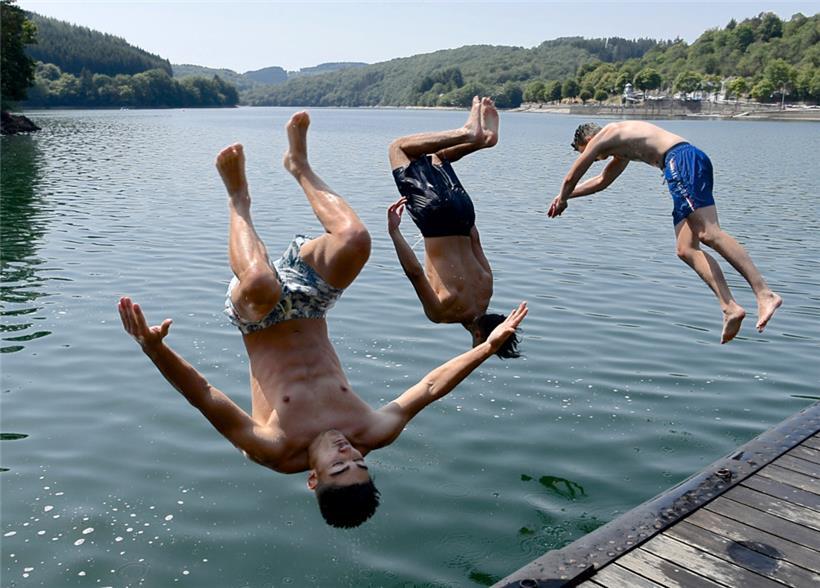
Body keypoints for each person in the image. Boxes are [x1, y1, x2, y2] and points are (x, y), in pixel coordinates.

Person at [118, 111, 528, 529]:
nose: (347, 453)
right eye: (358, 464)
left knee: (261, 280)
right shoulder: (371, 433)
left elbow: (203, 395)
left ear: (313, 479)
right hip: (313, 305)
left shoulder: (274, 450)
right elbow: (430, 387)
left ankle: (238, 200)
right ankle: (299, 166)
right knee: (356, 241)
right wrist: (485, 347)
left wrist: (154, 348)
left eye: (337, 466)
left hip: (257, 317)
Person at [547, 120, 781, 344]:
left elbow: (571, 176)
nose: (595, 159)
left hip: (681, 160)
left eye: (587, 153)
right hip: (683, 165)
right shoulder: (620, 148)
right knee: (685, 249)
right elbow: (602, 181)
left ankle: (764, 293)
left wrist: (564, 196)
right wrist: (564, 197)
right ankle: (729, 307)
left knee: (709, 233)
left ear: (589, 140)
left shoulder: (607, 134)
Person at [387, 96, 521, 358]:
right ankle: (468, 133)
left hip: (464, 214)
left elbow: (475, 240)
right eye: (481, 348)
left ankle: (484, 140)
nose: (478, 352)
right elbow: (414, 272)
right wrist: (394, 232)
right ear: (480, 336)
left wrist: (456, 207)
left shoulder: (486, 289)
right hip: (435, 219)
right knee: (399, 148)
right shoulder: (443, 313)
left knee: (436, 157)